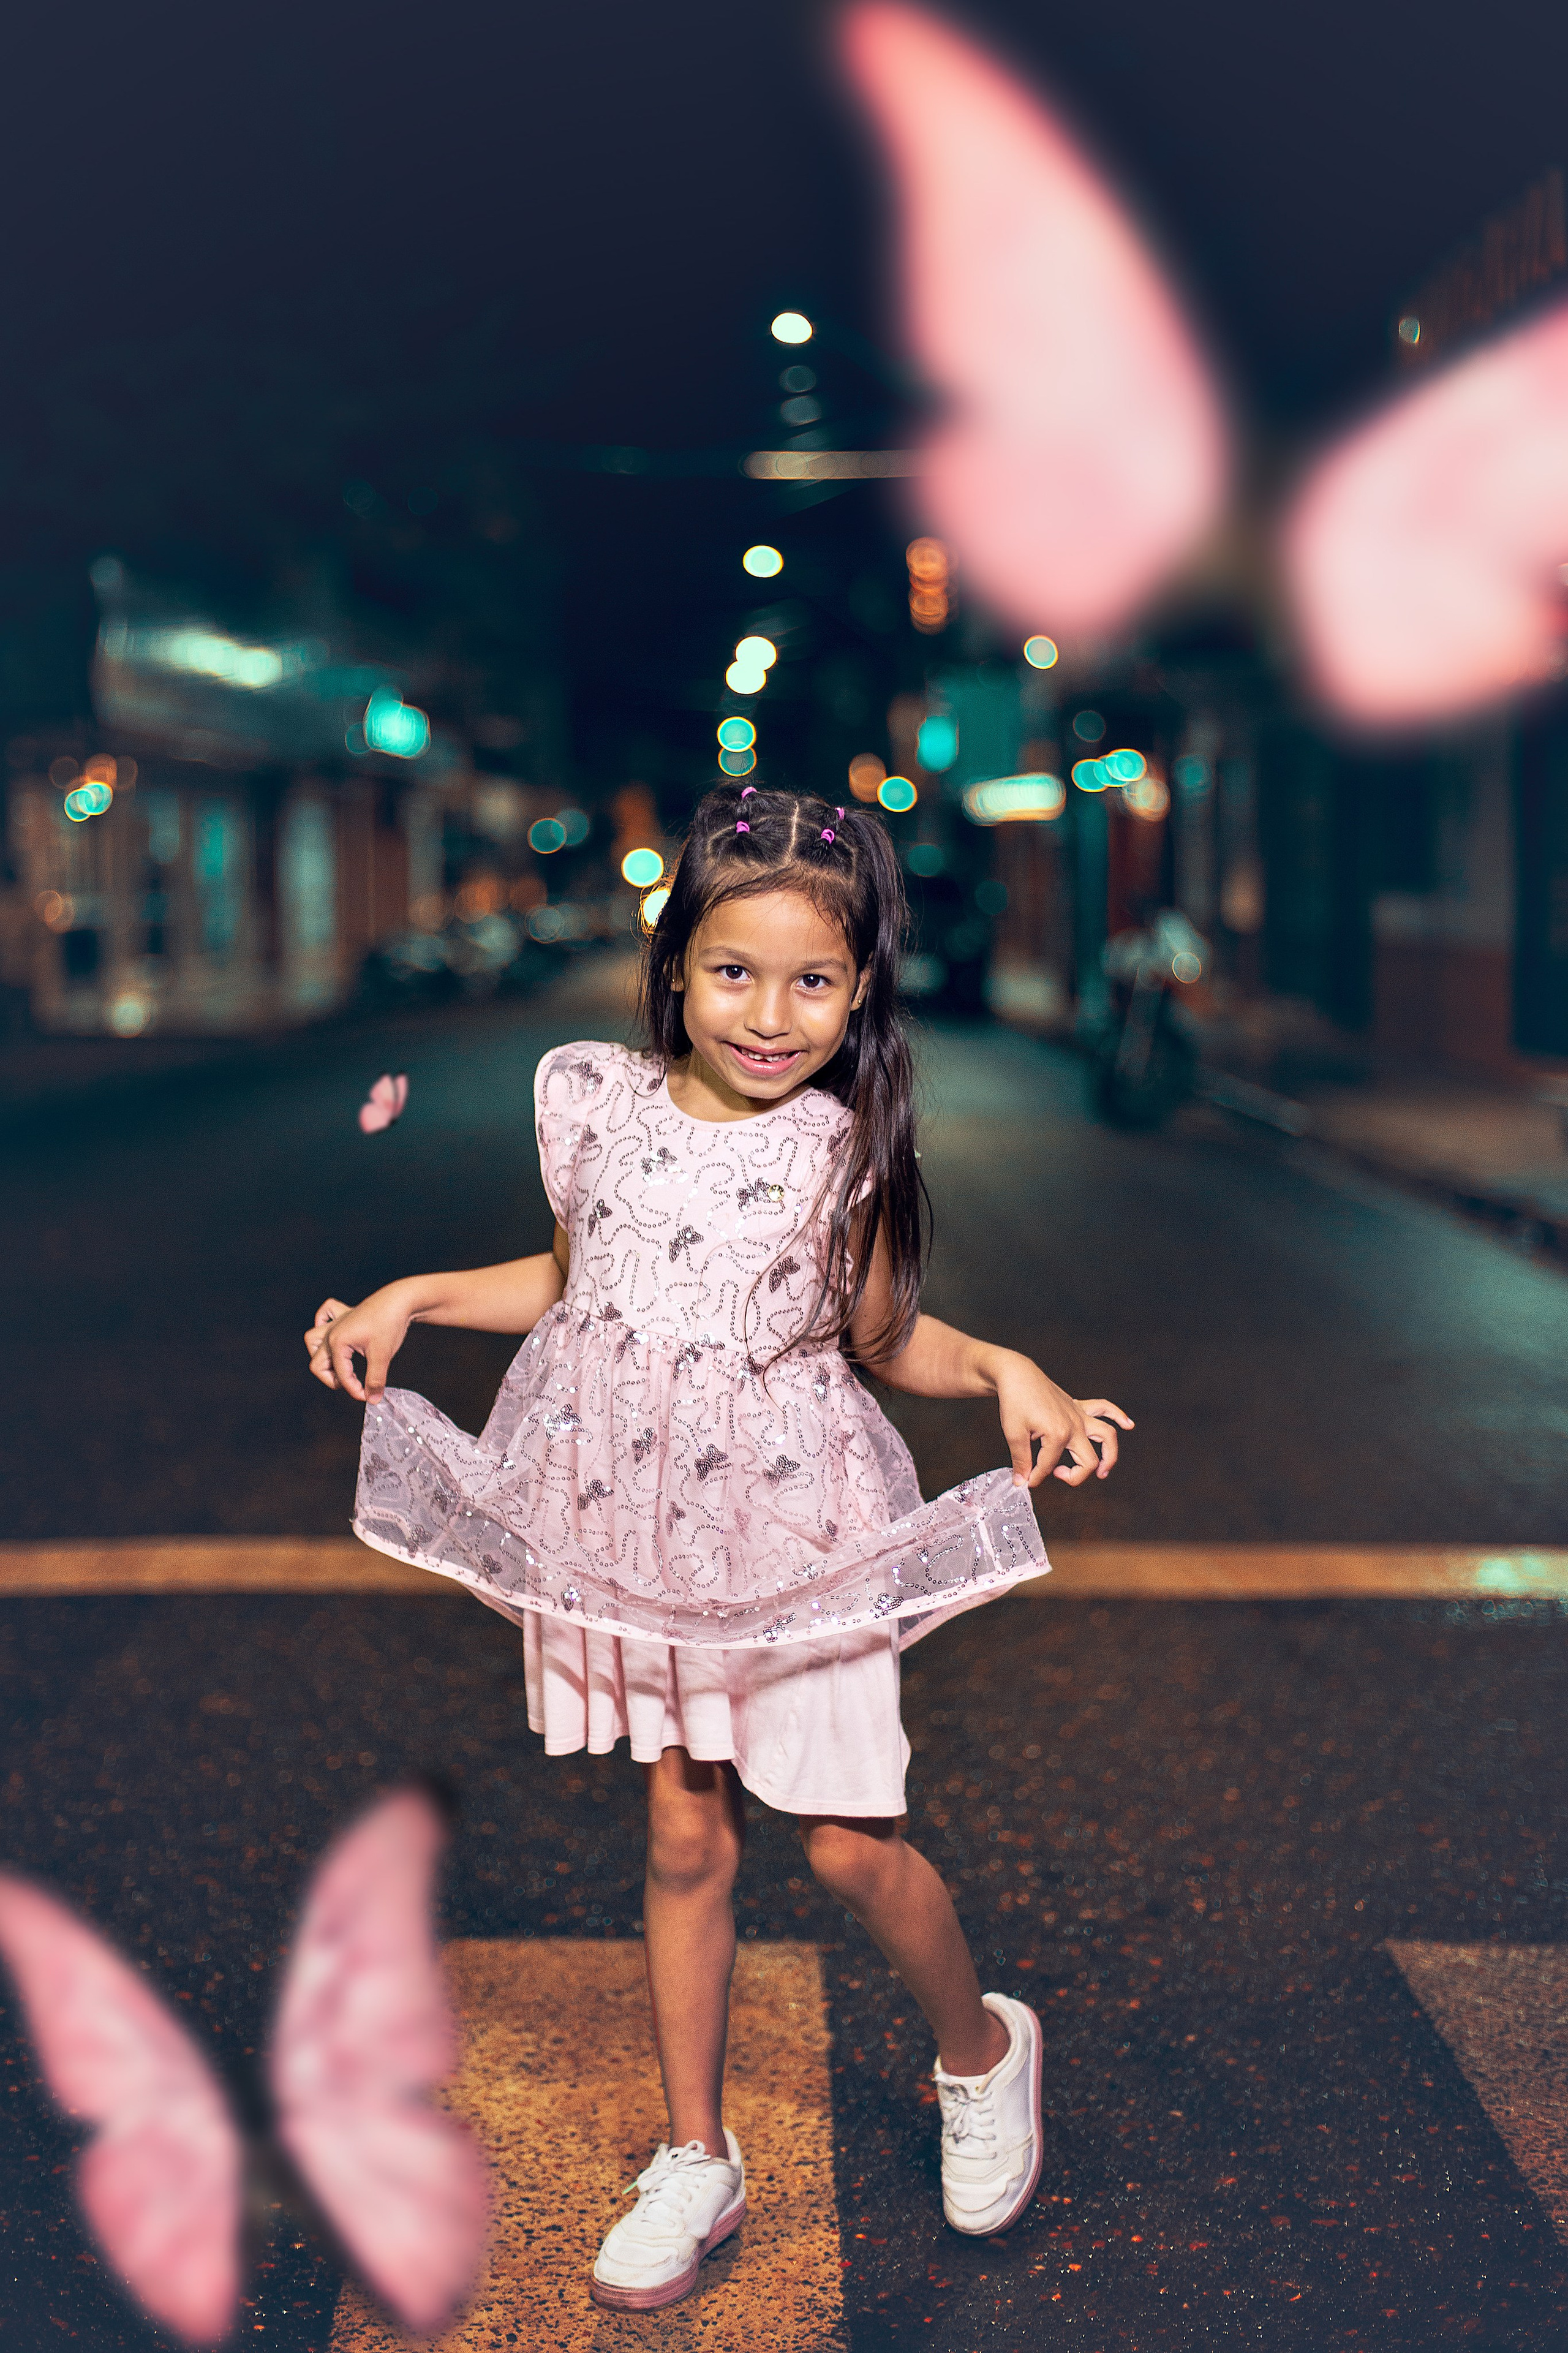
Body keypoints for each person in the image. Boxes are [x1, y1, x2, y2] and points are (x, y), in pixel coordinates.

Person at [305, 782, 1131, 2312]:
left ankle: (982, 2050)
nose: (770, 1013)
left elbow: (888, 1336)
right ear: (673, 963)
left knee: (845, 1844)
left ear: (859, 988)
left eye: (811, 980)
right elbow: (569, 1281)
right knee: (684, 1838)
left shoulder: (839, 1151)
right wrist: (411, 1292)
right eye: (734, 972)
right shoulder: (597, 1105)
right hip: (632, 1528)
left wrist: (1011, 1369)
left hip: (794, 1534)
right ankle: (697, 2152)